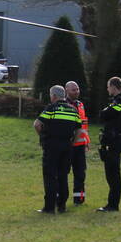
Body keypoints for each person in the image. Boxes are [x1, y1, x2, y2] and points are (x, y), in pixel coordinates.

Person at [33, 84, 83, 214]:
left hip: (52, 146)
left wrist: (43, 138)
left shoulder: (52, 108)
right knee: (63, 176)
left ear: (54, 96)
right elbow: (79, 129)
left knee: (50, 176)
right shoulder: (73, 110)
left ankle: (49, 207)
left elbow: (37, 124)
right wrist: (73, 143)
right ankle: (62, 206)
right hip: (67, 146)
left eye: (51, 95)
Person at [97, 76, 121, 212]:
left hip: (114, 140)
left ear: (113, 86)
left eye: (108, 86)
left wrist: (106, 112)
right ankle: (112, 204)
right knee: (112, 173)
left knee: (112, 173)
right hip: (116, 139)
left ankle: (112, 205)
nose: (107, 89)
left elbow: (104, 115)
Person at [65, 80, 90, 205]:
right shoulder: (64, 105)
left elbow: (83, 125)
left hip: (80, 146)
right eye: (73, 90)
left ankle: (79, 199)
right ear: (67, 91)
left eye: (78, 89)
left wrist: (86, 140)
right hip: (68, 145)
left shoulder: (80, 104)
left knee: (80, 173)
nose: (76, 91)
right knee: (63, 172)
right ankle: (61, 198)